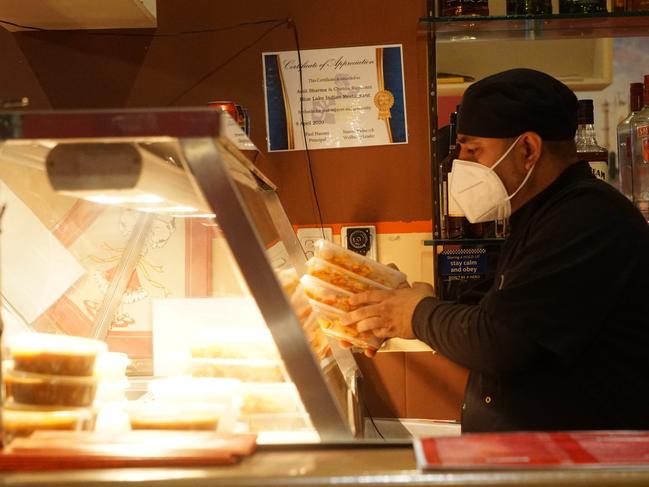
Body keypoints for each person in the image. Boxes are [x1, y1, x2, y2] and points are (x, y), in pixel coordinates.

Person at [347, 68, 649, 433]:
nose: (462, 166)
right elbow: (497, 305)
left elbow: (498, 341)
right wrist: (408, 299)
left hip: (584, 462)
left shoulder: (587, 217)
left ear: (527, 149)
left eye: (474, 150)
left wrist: (414, 315)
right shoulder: (544, 214)